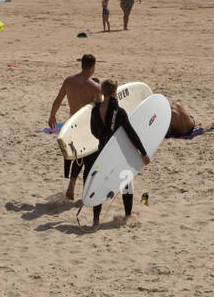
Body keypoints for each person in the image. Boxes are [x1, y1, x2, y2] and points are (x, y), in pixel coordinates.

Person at [79, 79, 149, 228]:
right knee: (126, 180)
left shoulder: (95, 110)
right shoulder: (119, 112)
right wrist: (143, 152)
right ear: (114, 92)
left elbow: (93, 131)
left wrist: (103, 139)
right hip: (117, 153)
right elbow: (131, 133)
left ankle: (96, 219)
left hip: (102, 151)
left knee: (99, 183)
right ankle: (128, 215)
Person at [48, 54, 103, 197]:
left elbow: (58, 99)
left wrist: (52, 115)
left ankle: (72, 184)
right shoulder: (95, 87)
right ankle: (86, 192)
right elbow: (100, 109)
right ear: (93, 67)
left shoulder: (69, 81)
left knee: (78, 156)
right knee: (89, 159)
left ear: (82, 65)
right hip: (88, 126)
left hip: (72, 124)